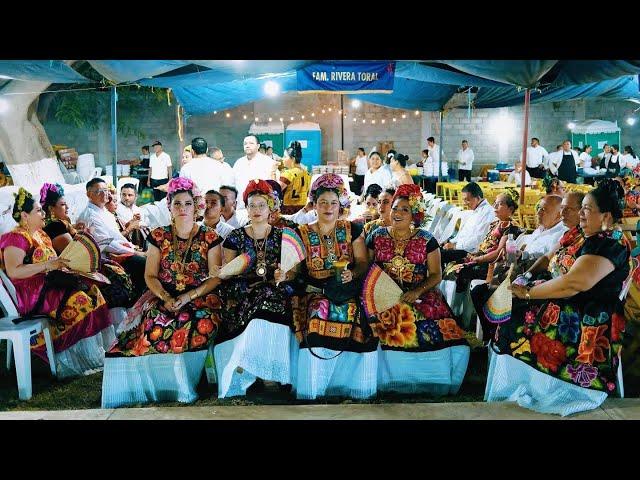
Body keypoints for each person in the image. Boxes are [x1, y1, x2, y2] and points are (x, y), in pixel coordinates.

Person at [488, 180, 630, 416]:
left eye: (586, 209)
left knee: (515, 312)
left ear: (605, 216)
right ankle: (529, 384)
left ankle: (540, 386)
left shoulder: (610, 243)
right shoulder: (592, 237)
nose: (581, 215)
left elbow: (573, 283)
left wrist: (529, 292)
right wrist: (527, 282)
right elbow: (557, 270)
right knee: (510, 304)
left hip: (590, 319)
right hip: (574, 304)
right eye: (581, 208)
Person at [103, 177, 224, 407]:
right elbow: (150, 275)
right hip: (163, 295)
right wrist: (167, 298)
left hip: (200, 296)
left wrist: (188, 297)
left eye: (188, 204)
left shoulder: (210, 237)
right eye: (177, 204)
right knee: (153, 326)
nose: (182, 209)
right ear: (169, 206)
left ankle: (187, 383)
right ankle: (164, 385)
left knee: (198, 324)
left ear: (196, 206)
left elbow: (215, 277)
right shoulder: (159, 236)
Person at [366, 184, 471, 393]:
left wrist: (416, 292)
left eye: (405, 209)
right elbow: (368, 269)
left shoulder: (427, 240)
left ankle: (430, 379)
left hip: (421, 293)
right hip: (382, 295)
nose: (398, 213)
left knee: (432, 320)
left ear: (415, 215)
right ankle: (383, 380)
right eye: (395, 208)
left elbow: (436, 275)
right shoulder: (376, 236)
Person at [0, 188, 113, 377]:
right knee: (81, 302)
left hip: (48, 284)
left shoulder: (41, 235)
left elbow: (51, 263)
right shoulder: (16, 238)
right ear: (25, 216)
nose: (43, 213)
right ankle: (73, 361)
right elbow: (14, 271)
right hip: (31, 293)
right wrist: (48, 265)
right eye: (38, 211)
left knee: (93, 292)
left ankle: (93, 356)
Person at [290, 173, 377, 399]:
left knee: (353, 317)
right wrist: (285, 273)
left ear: (341, 206)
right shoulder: (302, 233)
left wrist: (352, 273)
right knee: (318, 317)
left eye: (333, 203)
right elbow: (295, 271)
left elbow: (362, 263)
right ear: (314, 205)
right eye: (323, 203)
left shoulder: (352, 230)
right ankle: (314, 387)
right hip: (315, 293)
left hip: (345, 290)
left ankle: (350, 386)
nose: (328, 207)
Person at [212, 180, 294, 398]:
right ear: (246, 208)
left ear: (270, 208)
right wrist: (228, 271)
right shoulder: (235, 237)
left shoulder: (282, 235)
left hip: (275, 288)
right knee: (258, 302)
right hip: (242, 289)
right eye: (252, 205)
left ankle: (276, 371)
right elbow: (228, 272)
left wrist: (283, 274)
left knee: (270, 299)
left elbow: (293, 270)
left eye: (261, 205)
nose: (256, 210)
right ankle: (252, 371)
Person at [471, 195, 568, 341]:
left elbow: (545, 259)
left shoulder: (561, 234)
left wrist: (523, 258)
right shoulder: (540, 229)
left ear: (559, 214)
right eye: (539, 208)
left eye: (544, 210)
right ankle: (489, 335)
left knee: (483, 293)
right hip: (517, 273)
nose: (539, 213)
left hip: (532, 280)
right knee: (479, 292)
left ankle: (493, 336)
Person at [40, 183, 136, 309]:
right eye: (63, 205)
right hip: (77, 271)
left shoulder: (63, 224)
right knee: (119, 277)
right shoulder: (55, 226)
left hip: (82, 266)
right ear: (51, 209)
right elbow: (75, 254)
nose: (68, 207)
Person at [77, 178, 147, 297]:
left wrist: (132, 247)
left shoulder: (104, 211)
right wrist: (133, 252)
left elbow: (117, 236)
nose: (106, 194)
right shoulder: (91, 215)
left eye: (106, 190)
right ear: (89, 194)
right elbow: (106, 243)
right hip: (104, 259)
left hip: (118, 252)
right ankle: (136, 300)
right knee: (144, 264)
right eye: (100, 191)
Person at [445, 190, 523, 294]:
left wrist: (479, 259)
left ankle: (462, 306)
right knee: (453, 262)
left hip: (490, 264)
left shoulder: (511, 227)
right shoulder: (496, 223)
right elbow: (485, 244)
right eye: (494, 203)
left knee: (460, 270)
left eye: (499, 204)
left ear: (510, 209)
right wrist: (476, 254)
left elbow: (498, 252)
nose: (495, 206)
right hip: (482, 258)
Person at [441, 182, 496, 265]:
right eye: (464, 200)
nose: (464, 203)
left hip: (470, 252)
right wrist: (450, 242)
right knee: (434, 249)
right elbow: (463, 233)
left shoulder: (487, 212)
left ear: (477, 198)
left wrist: (455, 246)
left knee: (437, 255)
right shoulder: (475, 211)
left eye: (467, 200)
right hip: (462, 247)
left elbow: (478, 239)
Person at [233, 135, 276, 209]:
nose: (247, 146)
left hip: (261, 208)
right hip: (241, 207)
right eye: (245, 144)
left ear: (258, 146)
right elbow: (233, 184)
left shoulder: (268, 162)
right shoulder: (239, 163)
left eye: (251, 143)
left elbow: (273, 186)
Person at [279, 141, 311, 215]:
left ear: (292, 159)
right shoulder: (307, 173)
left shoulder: (288, 174)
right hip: (302, 211)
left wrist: (272, 172)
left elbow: (275, 191)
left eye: (285, 156)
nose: (282, 159)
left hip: (287, 210)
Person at [116, 183, 149, 250]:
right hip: (125, 244)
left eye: (130, 195)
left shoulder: (138, 209)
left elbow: (146, 224)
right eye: (124, 195)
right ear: (120, 195)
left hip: (141, 243)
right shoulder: (116, 208)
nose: (126, 198)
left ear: (136, 197)